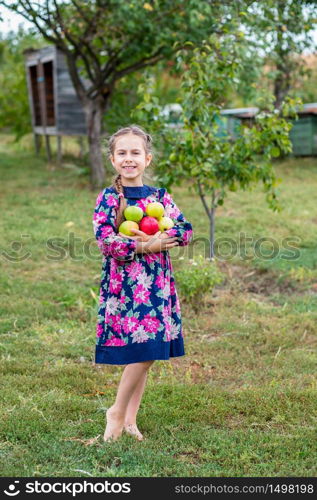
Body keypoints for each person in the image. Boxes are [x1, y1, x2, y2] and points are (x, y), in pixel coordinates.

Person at [92, 124, 193, 442]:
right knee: (143, 352)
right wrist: (145, 245)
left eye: (135, 153)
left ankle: (130, 420)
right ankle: (116, 413)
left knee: (146, 353)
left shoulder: (159, 199)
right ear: (112, 159)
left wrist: (166, 234)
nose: (128, 158)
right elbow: (106, 242)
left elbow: (186, 230)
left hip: (156, 287)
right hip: (126, 287)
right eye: (121, 153)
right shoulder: (110, 198)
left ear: (147, 159)